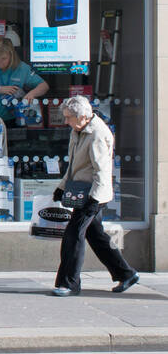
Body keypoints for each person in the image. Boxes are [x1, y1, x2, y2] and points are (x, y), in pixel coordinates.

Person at [51, 95, 138, 296]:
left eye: (68, 118)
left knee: (74, 235)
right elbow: (73, 165)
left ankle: (69, 283)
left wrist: (95, 200)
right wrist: (62, 187)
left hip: (92, 194)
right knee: (95, 235)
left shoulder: (97, 134)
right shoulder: (78, 130)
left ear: (82, 116)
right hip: (80, 191)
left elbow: (102, 170)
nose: (66, 122)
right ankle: (126, 274)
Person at [0, 38, 49, 121]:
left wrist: (31, 94)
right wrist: (0, 89)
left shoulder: (22, 68)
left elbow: (44, 86)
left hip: (15, 118)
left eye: (3, 58)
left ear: (11, 56)